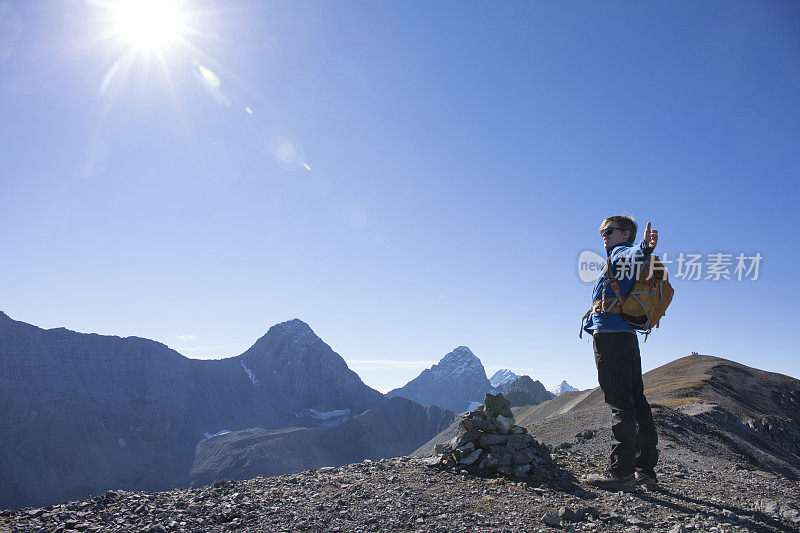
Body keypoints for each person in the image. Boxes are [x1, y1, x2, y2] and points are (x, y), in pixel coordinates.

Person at [581, 215, 660, 492]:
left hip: (612, 338)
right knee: (636, 401)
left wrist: (645, 247)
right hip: (626, 337)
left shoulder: (620, 253)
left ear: (625, 233)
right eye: (602, 230)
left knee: (620, 403)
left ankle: (621, 474)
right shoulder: (619, 257)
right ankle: (645, 471)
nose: (603, 234)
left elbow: (634, 254)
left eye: (608, 230)